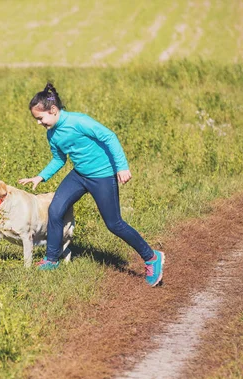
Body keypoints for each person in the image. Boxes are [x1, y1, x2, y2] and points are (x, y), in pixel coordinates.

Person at [18, 83, 164, 286]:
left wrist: (122, 167)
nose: (39, 123)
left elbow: (109, 136)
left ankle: (152, 257)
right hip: (79, 175)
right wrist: (40, 177)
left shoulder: (78, 121)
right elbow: (59, 159)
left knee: (114, 224)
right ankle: (51, 259)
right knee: (56, 209)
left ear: (53, 110)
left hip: (103, 175)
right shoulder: (52, 134)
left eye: (40, 118)